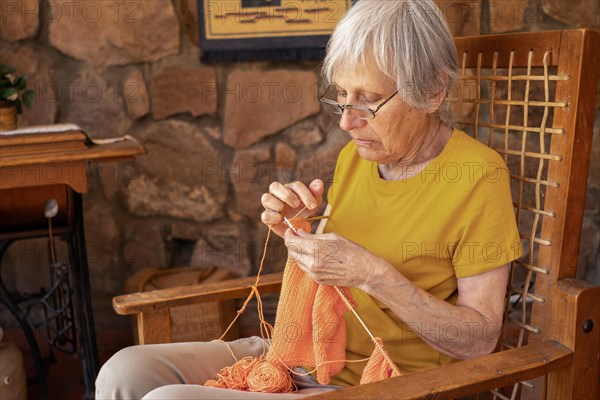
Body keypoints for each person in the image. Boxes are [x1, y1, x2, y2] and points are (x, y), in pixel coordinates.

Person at [95, 1, 522, 398]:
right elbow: (334, 284)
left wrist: (376, 276)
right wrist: (296, 233)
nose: (347, 122)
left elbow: (480, 340)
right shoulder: (356, 157)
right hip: (301, 352)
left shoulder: (477, 176)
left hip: (381, 383)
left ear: (432, 92)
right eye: (341, 96)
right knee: (124, 372)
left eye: (369, 101)